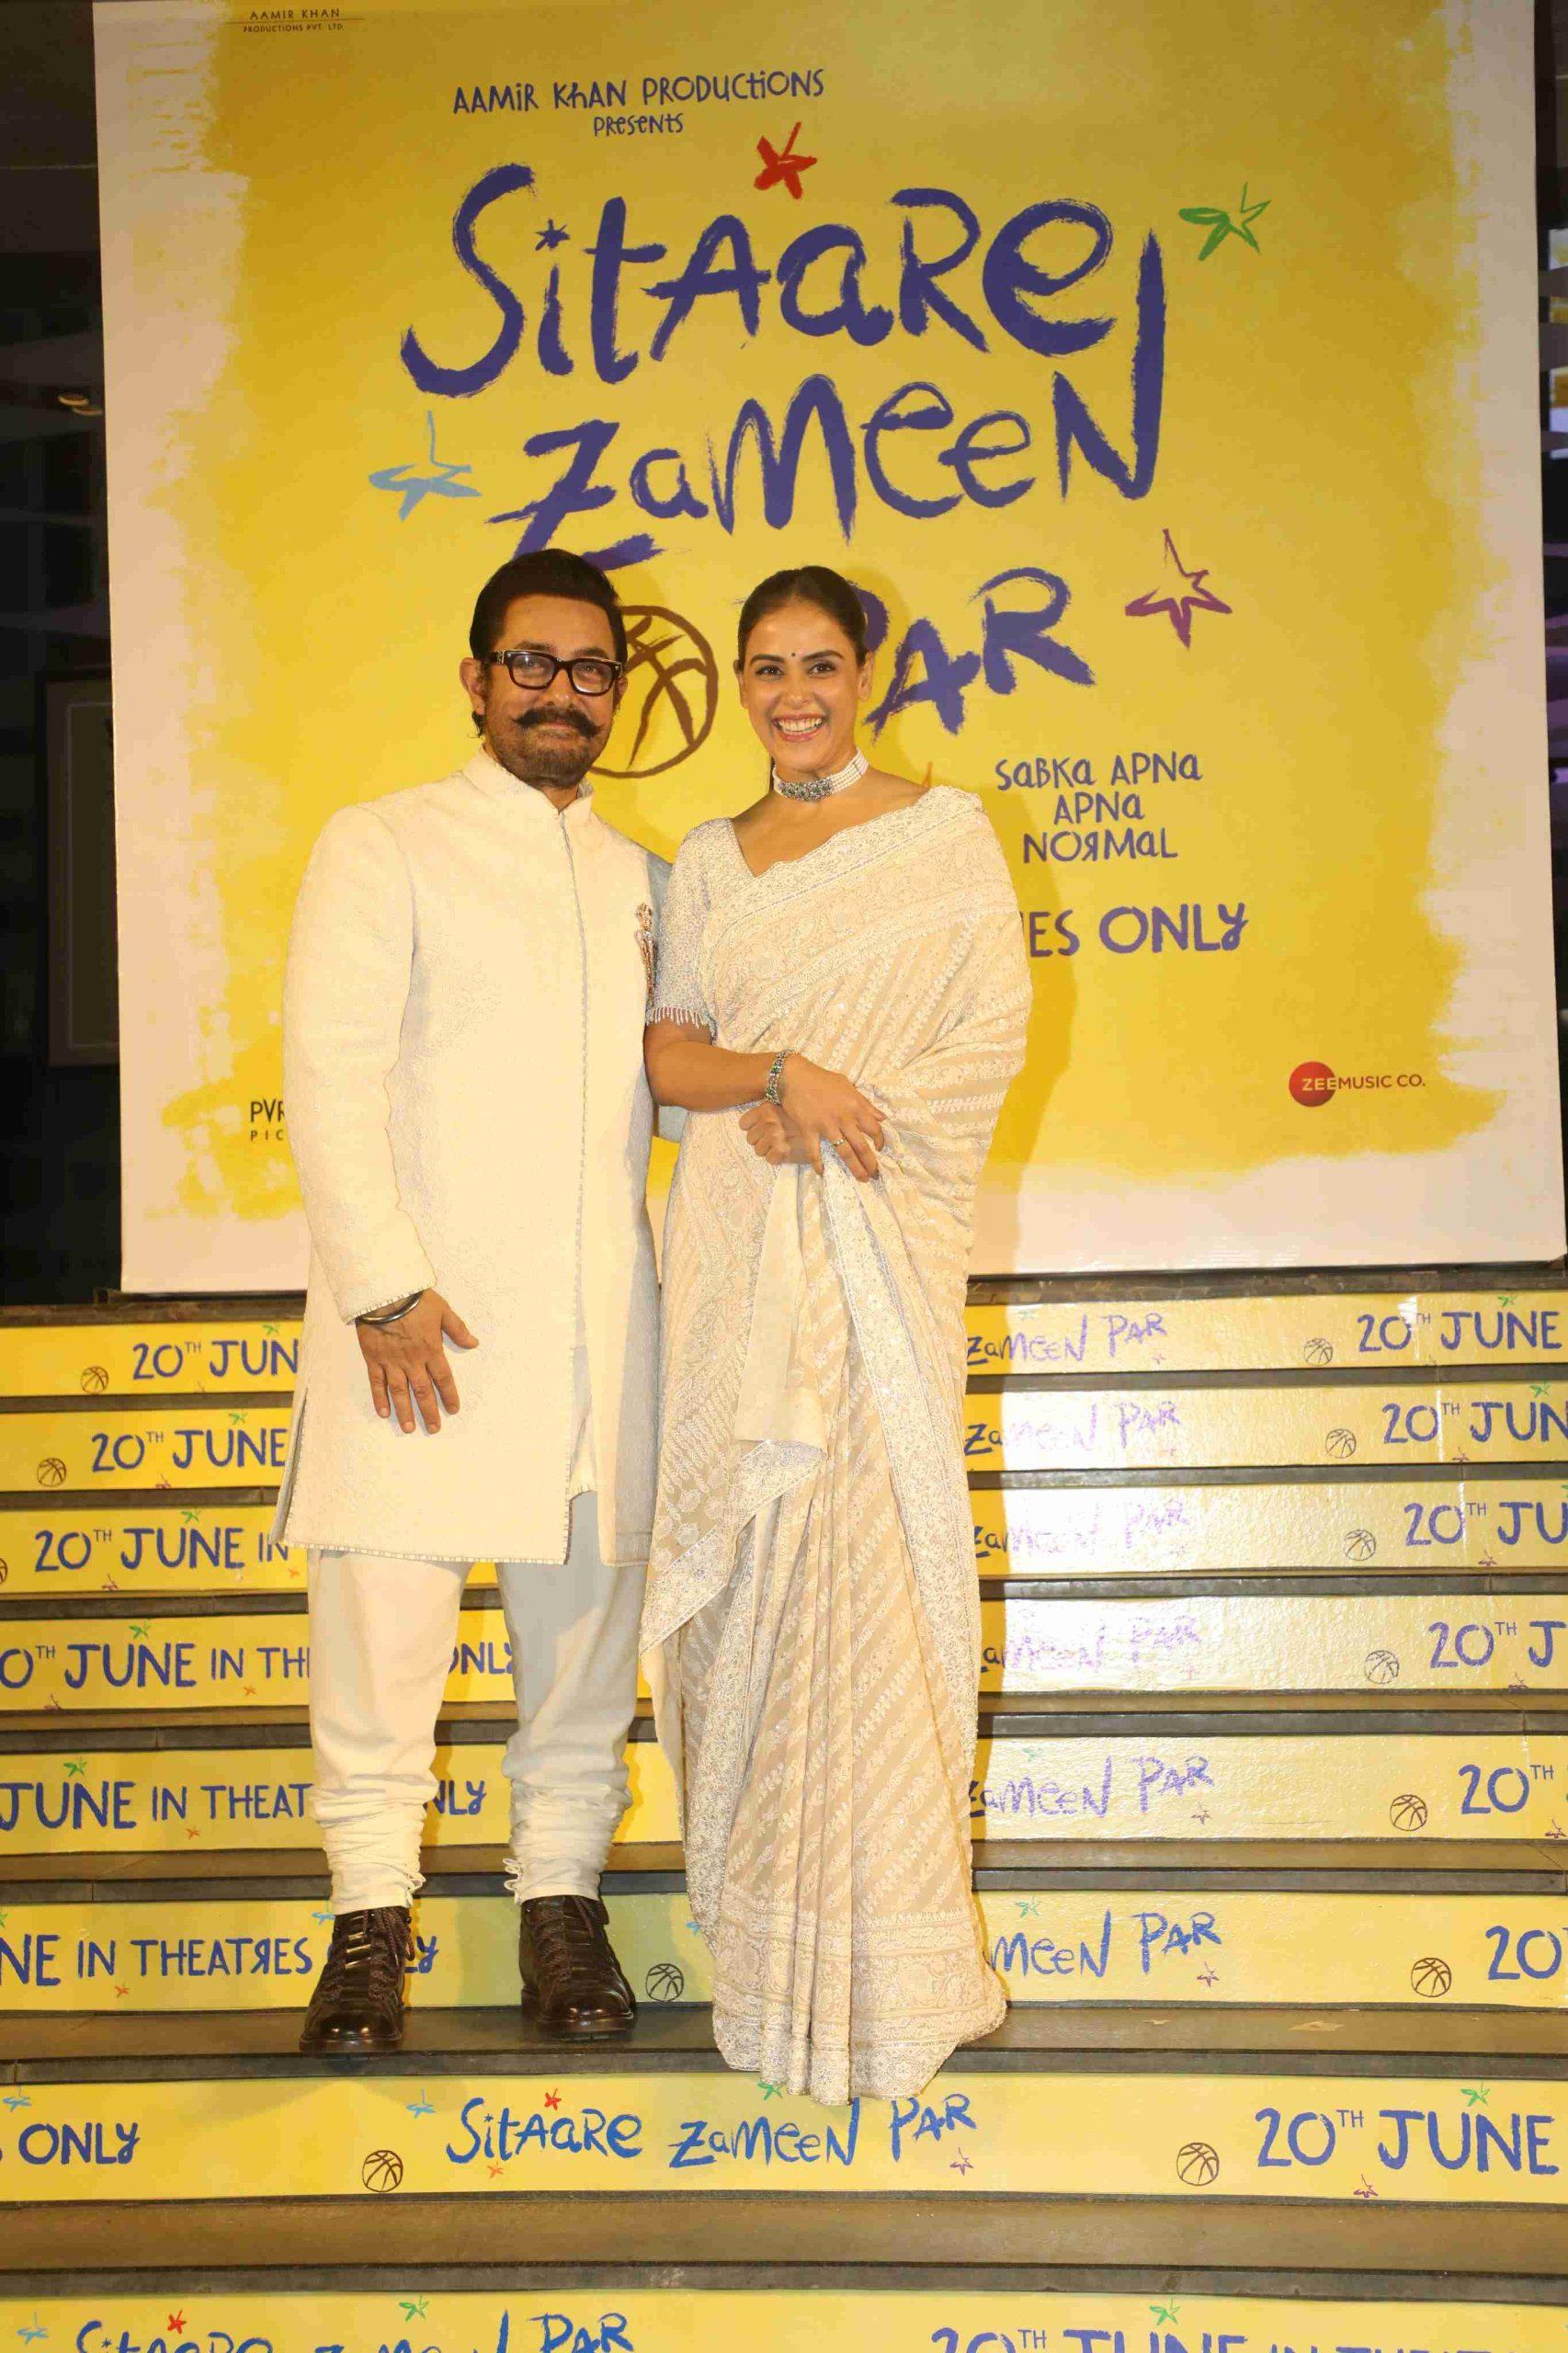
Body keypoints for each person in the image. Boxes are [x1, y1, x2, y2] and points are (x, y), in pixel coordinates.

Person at [642, 563, 1030, 2103]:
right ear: (738, 685)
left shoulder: (944, 837)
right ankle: (768, 1969)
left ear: (867, 673)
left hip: (878, 1257)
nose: (792, 693)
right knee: (753, 1581)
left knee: (866, 1579)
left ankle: (890, 1971)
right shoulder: (708, 859)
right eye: (765, 667)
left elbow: (987, 1036)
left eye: (818, 663)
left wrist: (843, 1118)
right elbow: (667, 1056)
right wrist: (779, 1077)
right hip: (740, 1267)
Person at [276, 548, 666, 2053]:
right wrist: (382, 1289)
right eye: (531, 664)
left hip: (596, 1337)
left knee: (580, 1656)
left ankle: (560, 1914)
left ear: (618, 692)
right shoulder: (384, 842)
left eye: (590, 670)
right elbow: (329, 1071)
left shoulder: (645, 881)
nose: (561, 693)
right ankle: (365, 1927)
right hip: (417, 1333)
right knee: (381, 1646)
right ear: (476, 678)